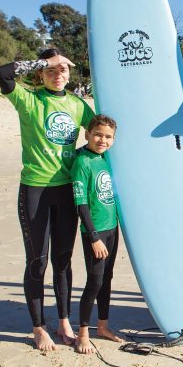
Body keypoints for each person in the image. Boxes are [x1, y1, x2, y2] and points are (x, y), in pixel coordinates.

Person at [0, 48, 95, 351]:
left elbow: (99, 134)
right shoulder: (28, 100)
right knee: (37, 261)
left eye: (63, 69)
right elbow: (2, 73)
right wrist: (42, 61)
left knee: (63, 261)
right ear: (41, 73)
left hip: (66, 190)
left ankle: (64, 321)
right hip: (35, 190)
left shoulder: (77, 105)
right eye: (51, 70)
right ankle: (39, 328)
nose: (58, 74)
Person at [71, 115, 124, 354]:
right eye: (98, 135)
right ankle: (83, 332)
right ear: (88, 135)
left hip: (112, 228)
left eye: (108, 136)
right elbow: (80, 203)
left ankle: (103, 326)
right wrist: (93, 238)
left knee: (107, 278)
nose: (103, 140)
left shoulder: (105, 158)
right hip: (95, 232)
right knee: (94, 281)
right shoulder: (83, 161)